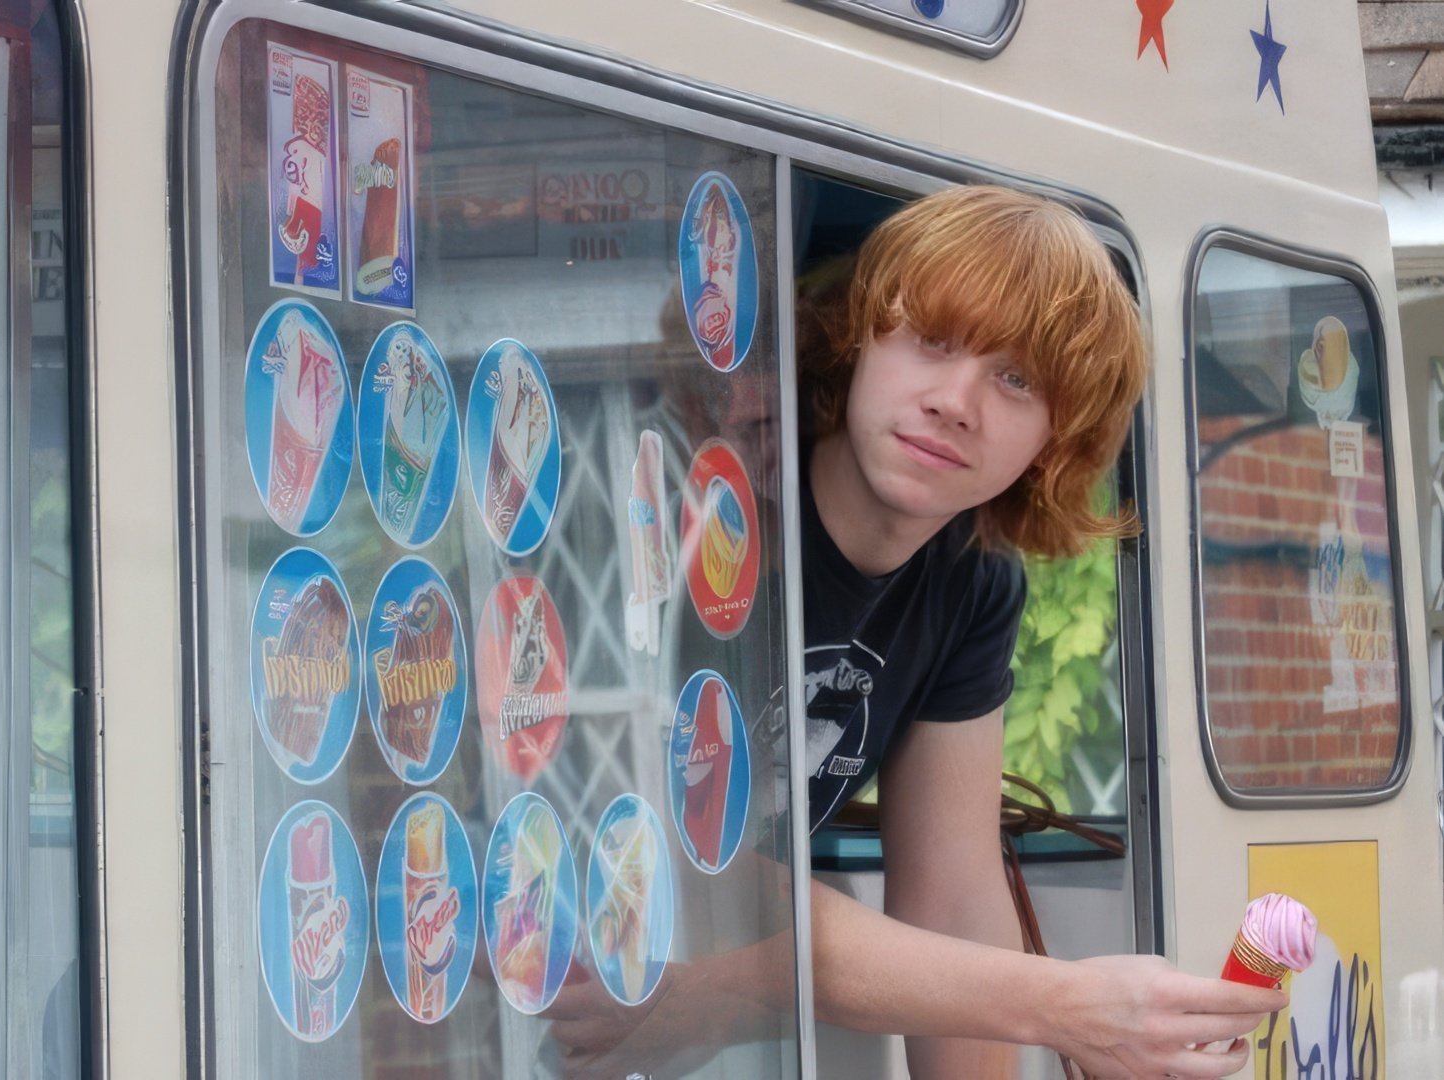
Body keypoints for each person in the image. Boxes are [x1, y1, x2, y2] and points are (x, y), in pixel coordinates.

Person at [547, 186, 1286, 1078]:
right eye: (932, 340)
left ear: (1055, 439)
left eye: (1016, 379)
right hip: (515, 974)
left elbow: (955, 894)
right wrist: (1064, 1008)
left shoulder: (972, 583)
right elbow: (699, 859)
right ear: (856, 341)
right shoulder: (713, 528)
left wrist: (733, 991)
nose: (956, 401)